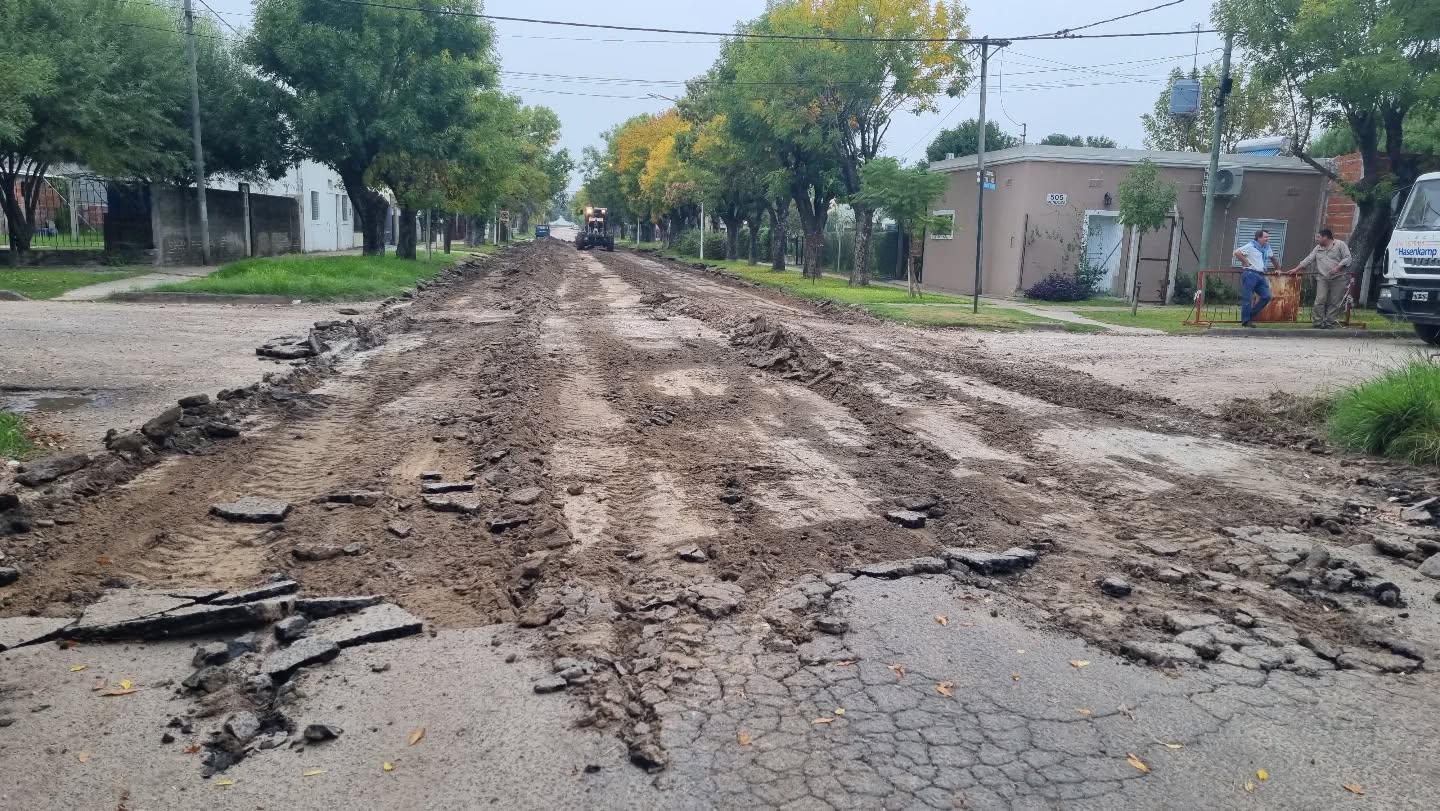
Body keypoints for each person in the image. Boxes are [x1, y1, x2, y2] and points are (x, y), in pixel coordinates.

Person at [1288, 228, 1352, 328]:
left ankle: (1329, 322)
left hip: (1339, 277)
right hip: (1323, 277)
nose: (1316, 239)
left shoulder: (1340, 244)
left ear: (1325, 237)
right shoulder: (1318, 248)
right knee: (1320, 299)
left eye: (1318, 237)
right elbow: (1309, 259)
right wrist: (1296, 269)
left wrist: (1337, 268)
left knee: (1335, 301)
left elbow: (1347, 258)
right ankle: (1317, 322)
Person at [1233, 229, 1280, 327]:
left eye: (1268, 237)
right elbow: (1237, 252)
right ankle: (1246, 321)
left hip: (1261, 275)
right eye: (1266, 237)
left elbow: (1273, 258)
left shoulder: (1267, 247)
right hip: (1250, 273)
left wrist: (1278, 268)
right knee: (1248, 298)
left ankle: (1250, 315)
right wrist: (1246, 261)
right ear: (1259, 238)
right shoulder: (1251, 246)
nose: (1268, 239)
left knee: (1266, 296)